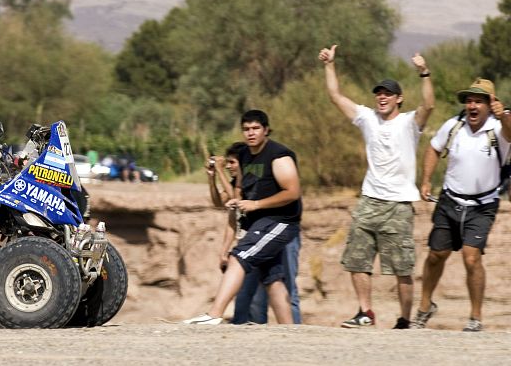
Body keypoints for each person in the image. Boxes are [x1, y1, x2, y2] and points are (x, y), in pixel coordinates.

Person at [318, 45, 434, 329]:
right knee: (357, 259)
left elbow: (429, 105)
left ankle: (405, 320)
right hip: (370, 199)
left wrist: (424, 72)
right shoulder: (367, 117)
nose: (381, 97)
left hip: (398, 205)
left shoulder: (409, 123)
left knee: (402, 268)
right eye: (378, 93)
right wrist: (329, 65)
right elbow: (335, 96)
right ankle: (365, 312)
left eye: (387, 93)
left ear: (399, 99)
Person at [184, 110, 302, 325]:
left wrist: (256, 204)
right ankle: (291, 330)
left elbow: (292, 192)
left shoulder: (279, 155)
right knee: (272, 278)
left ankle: (214, 314)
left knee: (239, 256)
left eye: (256, 128)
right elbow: (239, 190)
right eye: (246, 129)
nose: (251, 133)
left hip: (280, 221)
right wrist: (237, 200)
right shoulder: (245, 156)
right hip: (258, 223)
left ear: (266, 130)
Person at [411, 78, 510, 332]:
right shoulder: (454, 126)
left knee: (471, 258)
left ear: (491, 104)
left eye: (478, 100)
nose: (472, 105)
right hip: (449, 200)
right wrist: (425, 181)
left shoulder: (499, 129)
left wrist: (505, 115)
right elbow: (433, 149)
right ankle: (424, 307)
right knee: (436, 255)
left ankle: (475, 318)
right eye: (469, 100)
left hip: (483, 205)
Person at [207, 143, 302, 324]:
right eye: (227, 163)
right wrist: (212, 177)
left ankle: (294, 328)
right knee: (268, 283)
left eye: (232, 162)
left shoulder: (260, 177)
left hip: (279, 232)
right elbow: (223, 204)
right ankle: (279, 329)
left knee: (287, 287)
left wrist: (220, 172)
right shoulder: (241, 181)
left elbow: (238, 198)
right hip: (259, 236)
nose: (229, 166)